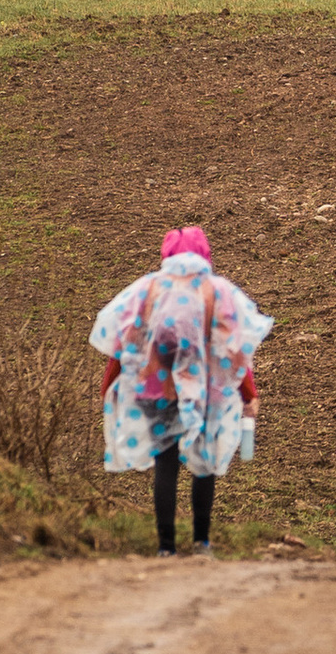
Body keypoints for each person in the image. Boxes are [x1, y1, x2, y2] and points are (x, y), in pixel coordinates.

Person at [90, 224, 273, 557]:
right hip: (207, 393)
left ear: (167, 253)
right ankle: (202, 543)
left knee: (166, 463)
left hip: (157, 390)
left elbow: (124, 344)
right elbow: (235, 350)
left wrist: (108, 386)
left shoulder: (148, 289)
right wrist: (249, 393)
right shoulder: (217, 291)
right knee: (204, 463)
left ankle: (166, 547)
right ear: (205, 253)